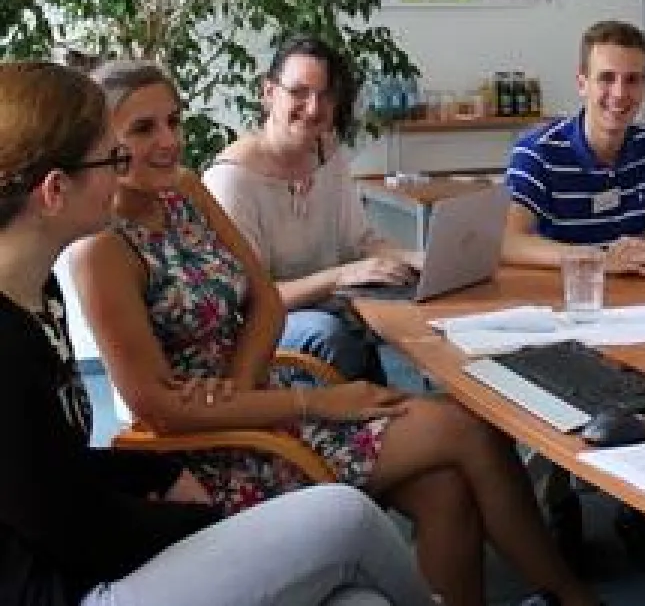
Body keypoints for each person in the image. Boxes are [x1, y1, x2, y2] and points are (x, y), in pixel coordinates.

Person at [70, 60, 599, 606]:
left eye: (173, 122)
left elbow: (266, 301)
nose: (168, 141)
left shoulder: (183, 192)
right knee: (468, 428)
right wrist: (312, 404)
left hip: (260, 403)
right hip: (217, 451)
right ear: (101, 141)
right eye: (142, 129)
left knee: (446, 489)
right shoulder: (102, 249)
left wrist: (244, 383)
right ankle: (571, 596)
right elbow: (160, 410)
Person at [0, 61, 435, 606]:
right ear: (55, 190)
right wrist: (206, 523)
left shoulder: (38, 295)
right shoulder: (9, 340)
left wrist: (156, 471)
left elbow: (54, 470)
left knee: (358, 602)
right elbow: (76, 531)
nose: (122, 174)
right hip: (70, 589)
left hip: (90, 550)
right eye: (112, 158)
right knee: (344, 515)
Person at [204, 36, 417, 385]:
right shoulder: (232, 179)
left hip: (329, 304)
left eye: (326, 95)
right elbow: (251, 300)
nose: (314, 108)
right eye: (299, 92)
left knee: (414, 307)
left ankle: (389, 416)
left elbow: (360, 243)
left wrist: (418, 258)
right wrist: (340, 276)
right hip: (263, 325)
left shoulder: (328, 155)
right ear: (269, 93)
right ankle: (365, 426)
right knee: (327, 332)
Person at [504, 20, 645, 276]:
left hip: (635, 291)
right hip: (564, 294)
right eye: (606, 78)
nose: (619, 93)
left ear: (644, 86)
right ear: (582, 84)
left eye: (632, 80)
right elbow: (508, 241)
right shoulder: (537, 151)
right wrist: (598, 259)